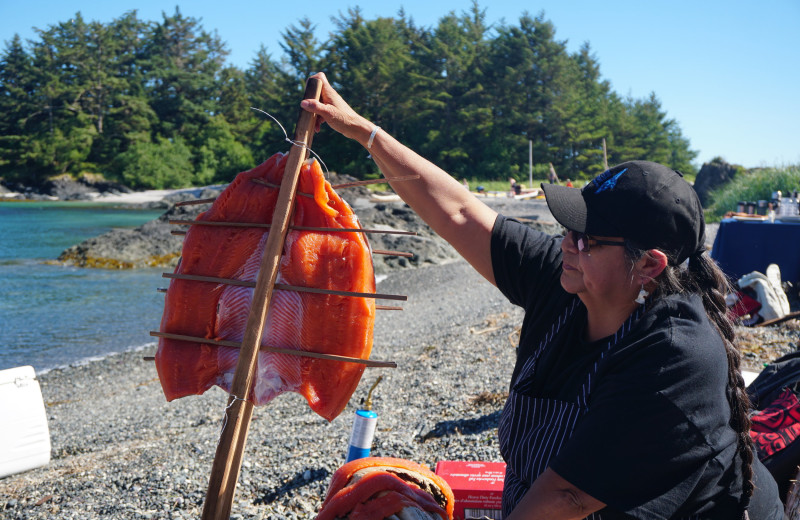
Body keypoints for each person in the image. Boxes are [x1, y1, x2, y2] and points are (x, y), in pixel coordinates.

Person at [300, 72, 783, 520]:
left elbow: (567, 498)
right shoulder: (568, 277)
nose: (567, 244)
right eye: (567, 228)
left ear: (649, 265)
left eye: (587, 238)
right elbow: (461, 214)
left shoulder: (676, 355)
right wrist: (366, 133)